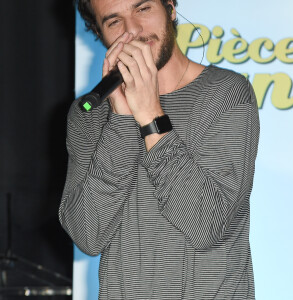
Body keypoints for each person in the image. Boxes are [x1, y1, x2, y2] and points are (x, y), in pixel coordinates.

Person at [59, 0, 260, 299]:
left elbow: (207, 225)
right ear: (99, 34)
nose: (134, 30)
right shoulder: (90, 112)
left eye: (143, 9)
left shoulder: (227, 94)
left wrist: (151, 115)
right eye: (114, 22)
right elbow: (88, 235)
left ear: (171, 8)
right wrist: (122, 120)